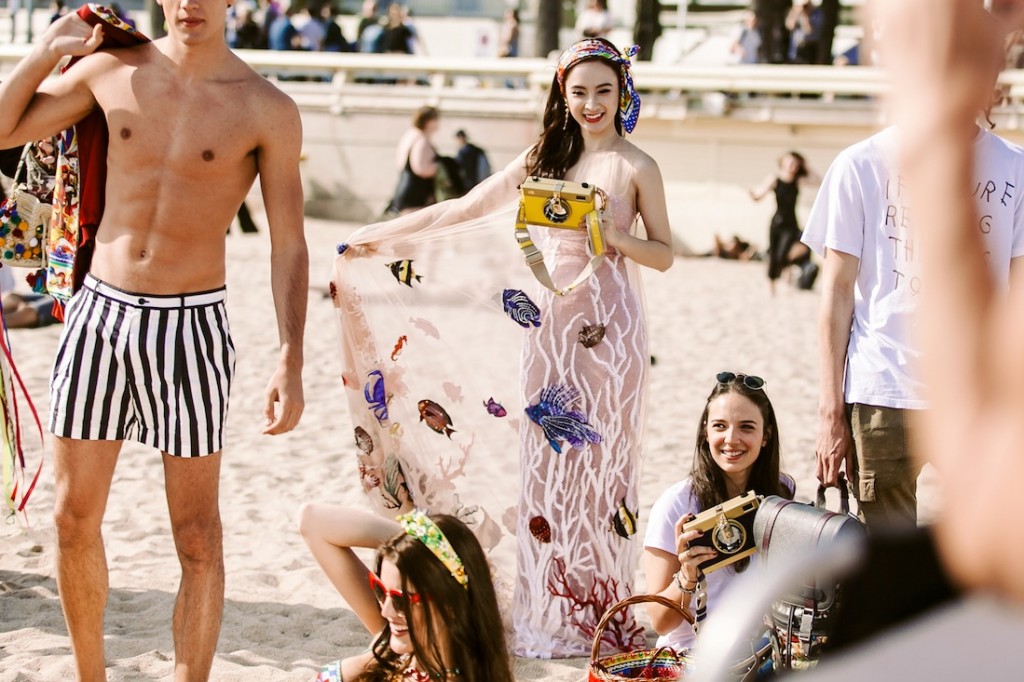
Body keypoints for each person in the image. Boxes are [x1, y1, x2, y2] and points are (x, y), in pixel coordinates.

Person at [332, 37, 673, 657]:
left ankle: (597, 603)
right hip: (548, 325)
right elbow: (469, 206)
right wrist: (383, 236)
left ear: (623, 91)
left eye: (604, 90)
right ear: (562, 96)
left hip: (612, 331)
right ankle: (550, 603)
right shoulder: (547, 155)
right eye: (579, 92)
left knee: (602, 467)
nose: (592, 103)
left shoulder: (637, 166)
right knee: (544, 468)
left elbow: (666, 254)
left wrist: (614, 234)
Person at [0, 3, 308, 679]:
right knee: (72, 519)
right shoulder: (111, 68)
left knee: (197, 537)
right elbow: (1, 128)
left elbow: (288, 243)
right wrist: (48, 47)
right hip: (99, 314)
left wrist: (291, 355)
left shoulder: (266, 108)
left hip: (192, 326)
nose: (190, 3)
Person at [801, 61, 1024, 531]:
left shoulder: (1015, 169)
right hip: (882, 391)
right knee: (888, 564)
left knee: (979, 551)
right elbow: (837, 295)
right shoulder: (859, 164)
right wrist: (829, 412)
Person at [643, 372, 794, 653]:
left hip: (763, 650)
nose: (731, 439)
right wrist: (687, 574)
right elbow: (660, 623)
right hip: (695, 655)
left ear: (766, 436)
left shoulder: (781, 491)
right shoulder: (677, 504)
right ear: (706, 431)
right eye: (720, 426)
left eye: (746, 427)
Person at [298, 507, 514, 682]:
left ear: (450, 602)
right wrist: (417, 540)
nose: (386, 609)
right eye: (380, 590)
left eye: (402, 599)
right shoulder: (395, 647)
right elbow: (313, 521)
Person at [749, 151, 814, 295]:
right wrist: (753, 195)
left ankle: (787, 280)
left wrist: (807, 167)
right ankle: (772, 287)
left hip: (791, 224)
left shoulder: (798, 180)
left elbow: (819, 180)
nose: (792, 165)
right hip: (776, 223)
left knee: (784, 254)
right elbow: (760, 194)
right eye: (789, 162)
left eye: (795, 163)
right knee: (773, 254)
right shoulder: (774, 179)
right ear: (782, 163)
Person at [386, 106, 439, 215]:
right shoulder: (421, 139)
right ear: (429, 121)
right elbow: (421, 168)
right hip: (415, 195)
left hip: (404, 189)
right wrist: (440, 168)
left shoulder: (410, 135)